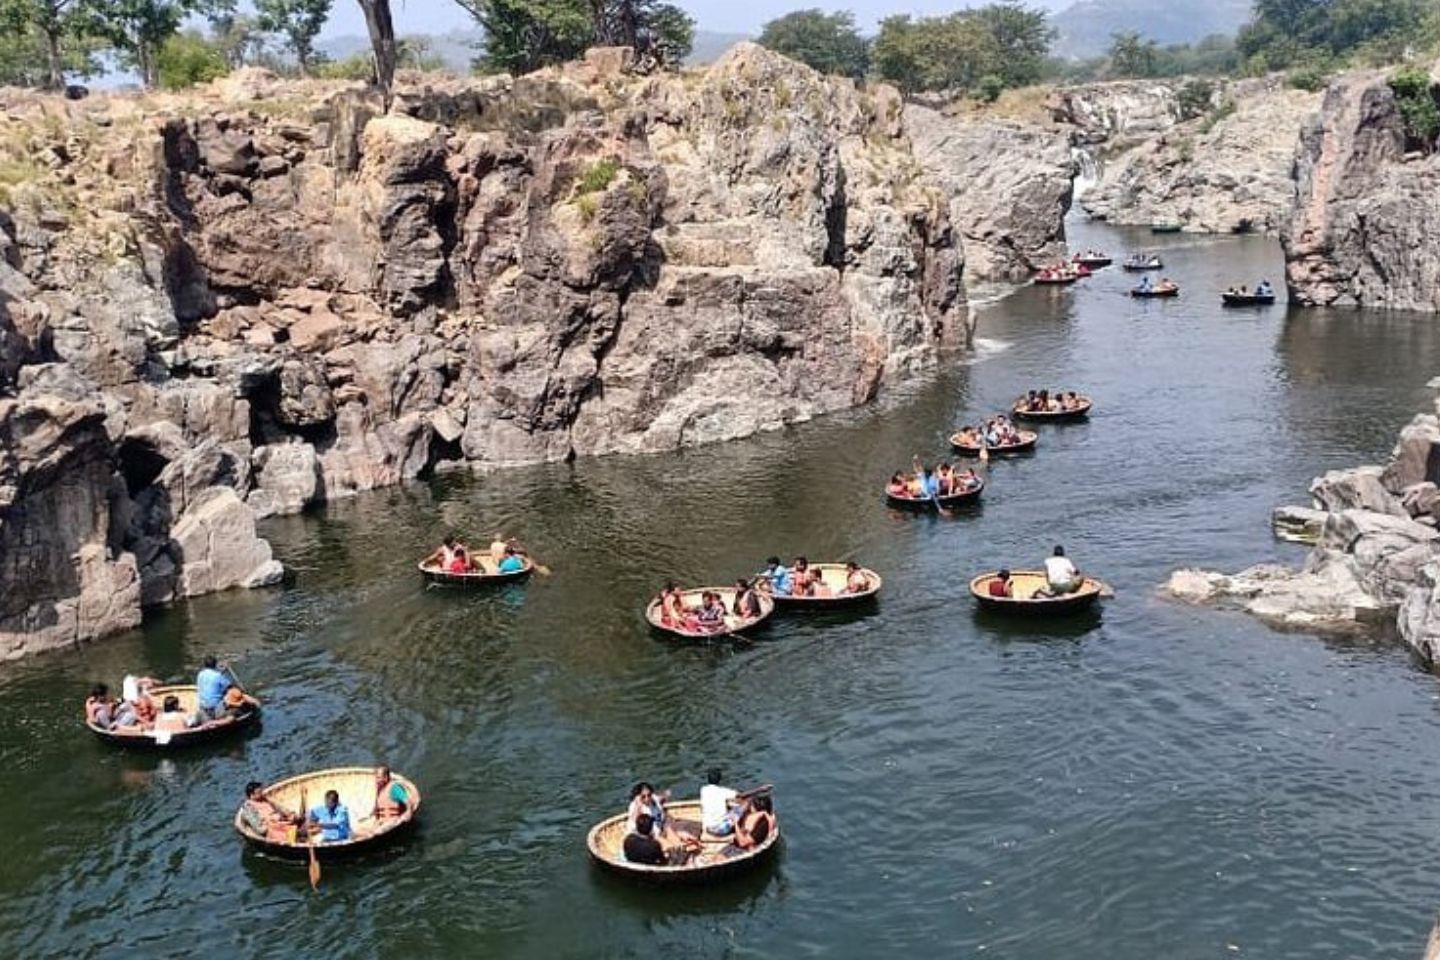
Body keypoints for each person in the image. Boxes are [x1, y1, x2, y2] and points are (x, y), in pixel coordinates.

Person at [700, 769, 742, 836]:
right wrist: (759, 790)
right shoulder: (723, 791)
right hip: (720, 830)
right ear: (720, 779)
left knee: (728, 804)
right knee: (740, 809)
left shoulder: (703, 789)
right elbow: (739, 795)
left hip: (707, 827)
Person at [195, 656, 229, 722]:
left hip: (203, 706)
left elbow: (211, 679)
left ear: (204, 665)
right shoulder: (218, 675)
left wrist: (222, 672)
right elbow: (228, 686)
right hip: (216, 707)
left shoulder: (200, 674)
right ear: (215, 664)